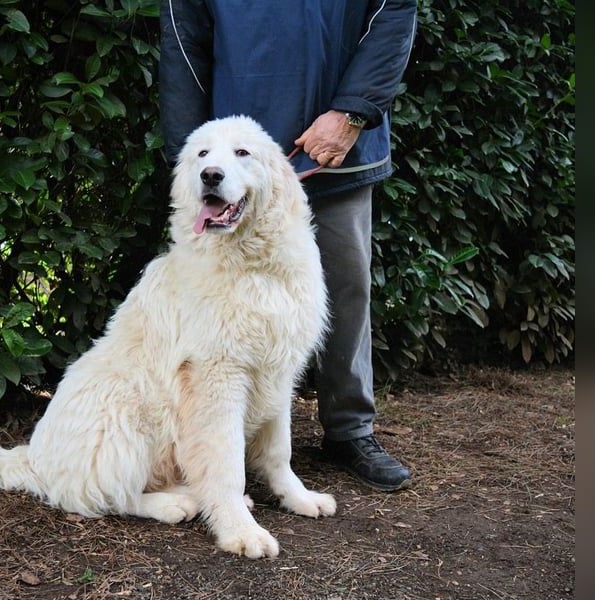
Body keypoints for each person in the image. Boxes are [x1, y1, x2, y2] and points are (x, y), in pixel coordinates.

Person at [158, 0, 417, 491]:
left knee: (345, 287)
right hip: (234, 161)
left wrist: (352, 112)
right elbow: (184, 44)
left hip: (335, 149)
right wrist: (193, 160)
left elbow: (393, 10)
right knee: (219, 314)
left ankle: (349, 429)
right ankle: (214, 448)